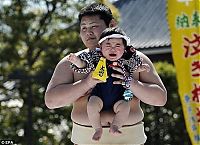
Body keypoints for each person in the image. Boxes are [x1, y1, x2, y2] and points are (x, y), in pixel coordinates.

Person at [45, 3, 167, 145]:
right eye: (83, 28)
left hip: (130, 136)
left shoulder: (136, 60)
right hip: (86, 137)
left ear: (111, 25)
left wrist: (131, 82)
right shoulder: (72, 62)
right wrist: (86, 83)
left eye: (93, 26)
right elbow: (51, 101)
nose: (88, 32)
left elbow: (160, 99)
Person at [67, 27, 150, 141]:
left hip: (119, 95)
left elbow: (134, 68)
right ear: (100, 47)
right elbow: (84, 66)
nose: (113, 49)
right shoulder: (96, 58)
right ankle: (97, 129)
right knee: (91, 105)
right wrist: (77, 61)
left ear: (124, 48)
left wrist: (141, 68)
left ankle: (115, 126)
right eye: (108, 45)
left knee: (125, 107)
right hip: (99, 93)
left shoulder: (127, 60)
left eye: (117, 46)